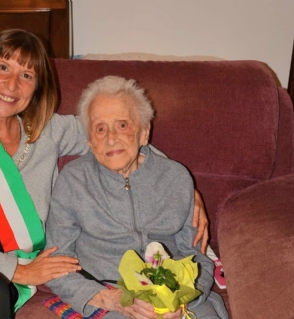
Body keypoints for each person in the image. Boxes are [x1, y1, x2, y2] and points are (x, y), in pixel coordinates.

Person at [0, 30, 209, 319]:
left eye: (26, 75)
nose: (11, 84)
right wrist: (20, 270)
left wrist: (184, 188)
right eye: (3, 68)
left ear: (36, 88)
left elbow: (120, 139)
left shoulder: (47, 131)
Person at [45, 76, 229, 319]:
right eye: (100, 128)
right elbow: (57, 263)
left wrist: (184, 296)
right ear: (89, 141)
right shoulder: (73, 181)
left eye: (122, 125)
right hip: (111, 294)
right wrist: (113, 300)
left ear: (144, 132)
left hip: (176, 294)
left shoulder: (175, 178)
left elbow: (197, 259)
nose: (111, 138)